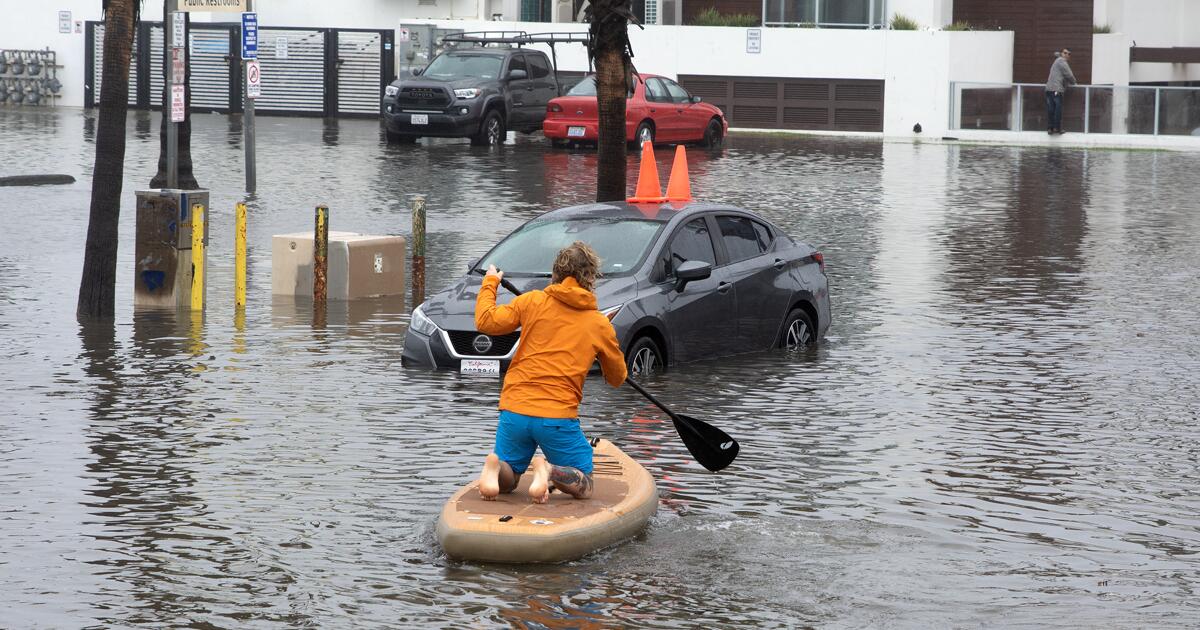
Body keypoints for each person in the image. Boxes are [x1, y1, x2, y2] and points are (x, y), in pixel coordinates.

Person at [474, 241, 627, 504]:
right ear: (590, 278)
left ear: (555, 273)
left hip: (515, 411)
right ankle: (548, 470)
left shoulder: (532, 301)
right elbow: (617, 378)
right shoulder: (598, 324)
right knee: (586, 483)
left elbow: (485, 320)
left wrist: (490, 282)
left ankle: (495, 468)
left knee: (510, 479)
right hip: (556, 418)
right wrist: (602, 352)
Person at [1045, 48, 1077, 135]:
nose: (1067, 55)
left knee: (1051, 109)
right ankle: (1057, 128)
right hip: (1056, 89)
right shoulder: (1061, 61)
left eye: (1069, 54)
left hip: (1049, 89)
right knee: (1057, 110)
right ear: (1061, 53)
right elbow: (1069, 75)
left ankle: (1050, 128)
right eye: (1065, 53)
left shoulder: (1057, 61)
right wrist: (1074, 82)